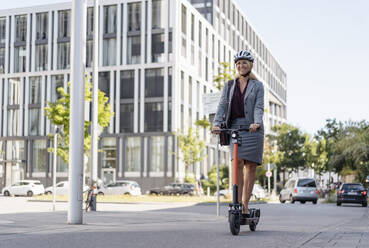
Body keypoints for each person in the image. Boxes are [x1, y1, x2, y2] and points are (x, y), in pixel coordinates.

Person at [212, 50, 264, 215]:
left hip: (252, 128)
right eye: (238, 63)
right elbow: (221, 106)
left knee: (250, 167)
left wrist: (257, 122)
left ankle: (245, 205)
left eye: (244, 63)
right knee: (237, 163)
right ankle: (237, 202)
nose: (241, 66)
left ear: (250, 66)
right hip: (235, 127)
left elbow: (258, 106)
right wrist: (217, 124)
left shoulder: (258, 86)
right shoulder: (229, 85)